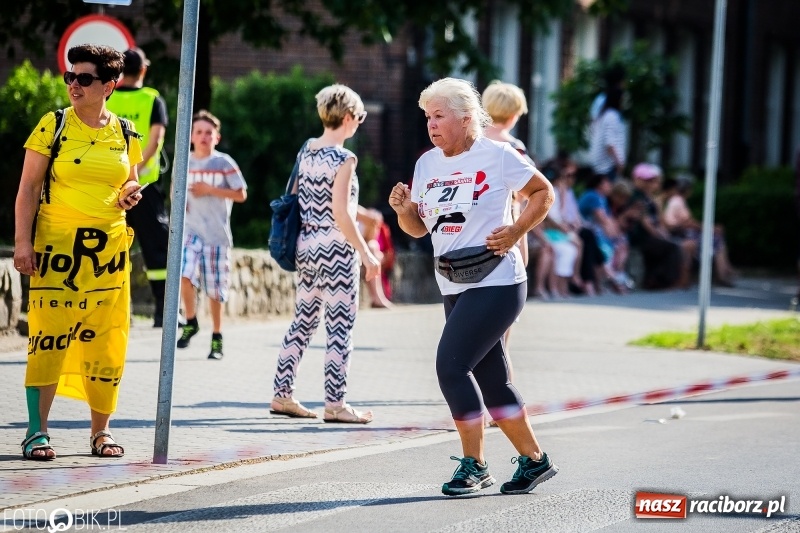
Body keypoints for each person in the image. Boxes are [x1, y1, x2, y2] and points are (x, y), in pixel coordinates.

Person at [389, 77, 559, 496]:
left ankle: (474, 465)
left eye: (439, 116)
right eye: (428, 117)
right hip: (452, 279)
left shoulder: (499, 155)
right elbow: (418, 229)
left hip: (498, 280)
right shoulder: (427, 163)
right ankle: (535, 461)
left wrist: (517, 229)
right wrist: (403, 211)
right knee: (493, 379)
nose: (431, 124)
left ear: (466, 119)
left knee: (451, 366)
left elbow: (543, 192)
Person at [14, 44, 144, 460]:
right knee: (47, 339)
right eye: (71, 76)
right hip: (56, 252)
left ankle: (101, 432)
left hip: (108, 256)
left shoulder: (125, 131)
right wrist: (22, 242)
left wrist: (129, 194)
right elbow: (28, 189)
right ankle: (37, 431)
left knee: (106, 343)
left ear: (109, 85)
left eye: (84, 78)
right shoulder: (52, 125)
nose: (74, 84)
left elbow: (130, 180)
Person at [270, 84, 380, 424]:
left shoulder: (308, 150)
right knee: (339, 327)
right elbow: (341, 214)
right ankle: (336, 404)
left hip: (306, 245)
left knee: (302, 322)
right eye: (359, 117)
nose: (359, 123)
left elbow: (298, 196)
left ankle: (282, 394)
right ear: (348, 117)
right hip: (336, 249)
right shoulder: (345, 158)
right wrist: (366, 253)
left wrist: (357, 213)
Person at [176, 110, 247, 360]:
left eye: (209, 133)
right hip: (191, 233)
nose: (204, 136)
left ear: (216, 137)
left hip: (216, 236)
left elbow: (241, 194)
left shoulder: (223, 163)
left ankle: (217, 337)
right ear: (192, 136)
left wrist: (211, 190)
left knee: (215, 292)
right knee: (183, 275)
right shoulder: (183, 162)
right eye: (199, 132)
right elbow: (178, 194)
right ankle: (191, 320)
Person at [107, 47, 170, 327]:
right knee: (156, 249)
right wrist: (136, 176)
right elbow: (155, 143)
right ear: (143, 70)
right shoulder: (152, 99)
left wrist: (121, 178)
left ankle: (116, 311)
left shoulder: (106, 96)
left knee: (111, 247)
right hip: (145, 187)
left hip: (109, 187)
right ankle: (163, 313)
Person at [627, 163, 692, 290]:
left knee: (671, 246)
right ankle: (662, 282)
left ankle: (657, 280)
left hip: (649, 236)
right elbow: (646, 223)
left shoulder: (649, 197)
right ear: (637, 179)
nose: (650, 183)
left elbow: (658, 220)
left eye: (652, 180)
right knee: (671, 247)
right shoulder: (636, 197)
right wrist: (661, 236)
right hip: (640, 237)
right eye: (647, 180)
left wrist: (663, 234)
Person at [661, 175, 736, 286]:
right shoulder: (677, 201)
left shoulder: (675, 201)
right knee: (717, 239)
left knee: (716, 238)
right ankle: (723, 272)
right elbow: (688, 223)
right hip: (681, 233)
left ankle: (724, 270)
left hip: (681, 232)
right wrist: (711, 229)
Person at [589, 87, 627, 182]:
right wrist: (619, 163)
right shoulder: (612, 116)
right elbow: (609, 144)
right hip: (608, 167)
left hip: (603, 166)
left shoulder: (604, 115)